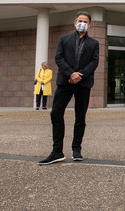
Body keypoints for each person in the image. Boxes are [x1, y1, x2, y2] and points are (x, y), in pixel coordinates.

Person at [39, 11, 99, 165]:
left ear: (89, 25)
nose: (82, 23)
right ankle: (57, 151)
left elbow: (94, 62)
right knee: (56, 113)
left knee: (80, 117)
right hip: (65, 82)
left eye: (85, 21)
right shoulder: (64, 39)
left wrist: (81, 74)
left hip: (83, 84)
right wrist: (71, 74)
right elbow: (59, 58)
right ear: (74, 22)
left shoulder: (94, 43)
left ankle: (76, 149)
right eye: (80, 20)